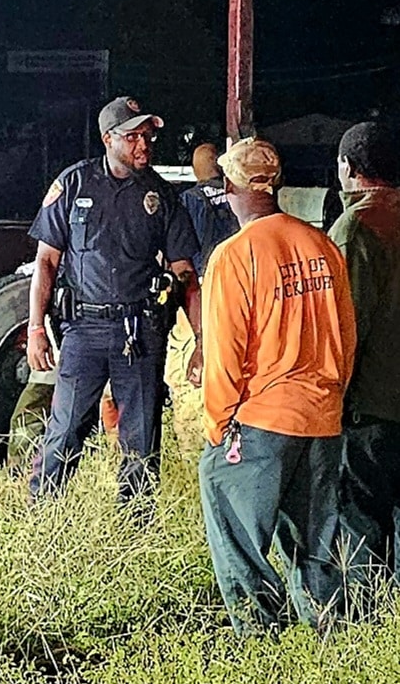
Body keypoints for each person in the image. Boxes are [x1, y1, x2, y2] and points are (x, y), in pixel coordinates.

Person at [197, 137, 355, 634]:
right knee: (318, 544)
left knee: (238, 536)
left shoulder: (234, 256)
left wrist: (218, 426)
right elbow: (345, 339)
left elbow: (225, 355)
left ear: (228, 186)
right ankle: (331, 637)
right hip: (323, 418)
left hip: (261, 419)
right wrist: (331, 399)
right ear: (277, 183)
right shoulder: (322, 244)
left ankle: (259, 638)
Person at [25, 97, 198, 501]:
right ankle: (42, 516)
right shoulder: (73, 184)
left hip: (139, 332)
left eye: (148, 136)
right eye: (133, 136)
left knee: (141, 439)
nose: (144, 145)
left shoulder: (162, 196)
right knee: (65, 432)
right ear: (108, 139)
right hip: (83, 329)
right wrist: (36, 328)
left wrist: (202, 340)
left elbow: (185, 272)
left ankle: (135, 529)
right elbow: (45, 263)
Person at [330, 122, 400, 599]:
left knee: (361, 521)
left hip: (371, 407)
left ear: (348, 169)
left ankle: (366, 628)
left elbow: (343, 327)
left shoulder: (355, 227)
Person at [167, 142, 241, 457]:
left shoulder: (189, 201)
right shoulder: (238, 196)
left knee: (187, 380)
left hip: (201, 297)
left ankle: (192, 455)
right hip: (237, 297)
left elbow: (183, 261)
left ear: (196, 170)